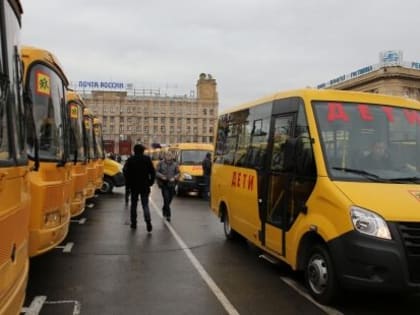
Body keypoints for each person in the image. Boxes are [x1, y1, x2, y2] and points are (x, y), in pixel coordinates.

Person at [123, 144, 155, 231]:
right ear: (143, 151)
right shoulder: (147, 159)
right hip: (145, 186)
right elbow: (152, 172)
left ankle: (133, 223)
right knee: (145, 205)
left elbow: (125, 172)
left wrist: (128, 184)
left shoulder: (130, 160)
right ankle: (148, 222)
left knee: (133, 205)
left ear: (134, 151)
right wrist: (150, 182)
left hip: (134, 186)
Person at [156, 151, 180, 222]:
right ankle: (168, 215)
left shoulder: (175, 164)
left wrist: (175, 178)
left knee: (169, 200)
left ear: (172, 156)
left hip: (172, 184)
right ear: (165, 156)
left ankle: (164, 208)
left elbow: (178, 173)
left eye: (170, 155)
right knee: (166, 198)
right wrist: (162, 176)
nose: (169, 156)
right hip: (164, 184)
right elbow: (156, 172)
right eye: (167, 155)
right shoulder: (160, 163)